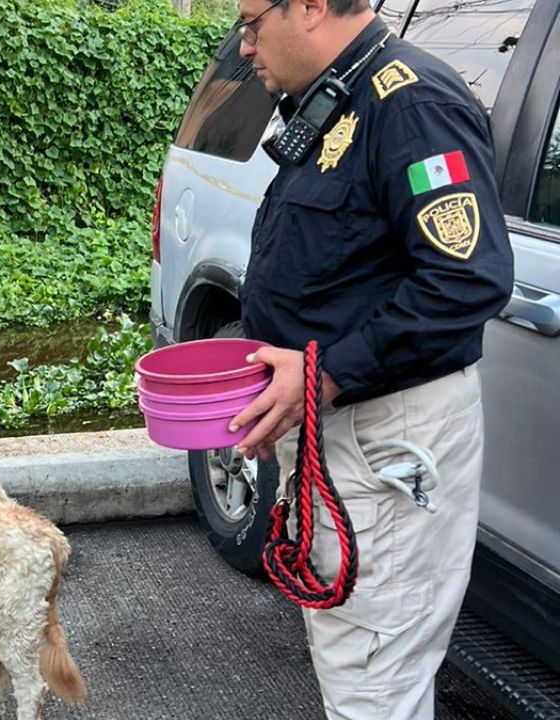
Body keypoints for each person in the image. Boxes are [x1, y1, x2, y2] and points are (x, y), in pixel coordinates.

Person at [224, 0, 514, 717]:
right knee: (355, 653)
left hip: (381, 435)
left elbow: (466, 277)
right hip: (343, 433)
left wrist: (323, 373)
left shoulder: (411, 104)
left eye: (254, 20)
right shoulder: (338, 96)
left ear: (314, 6)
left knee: (373, 678)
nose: (244, 45)